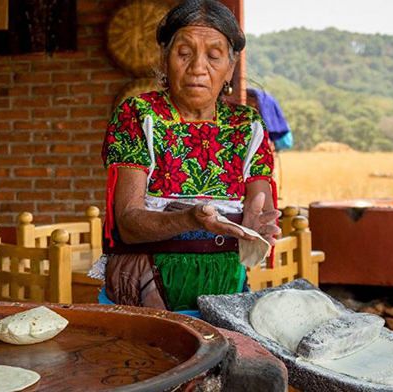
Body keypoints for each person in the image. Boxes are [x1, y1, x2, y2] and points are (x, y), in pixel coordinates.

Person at [98, 0, 280, 313]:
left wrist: (256, 226)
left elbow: (259, 207)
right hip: (145, 288)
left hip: (225, 293)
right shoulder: (139, 115)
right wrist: (188, 219)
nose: (198, 67)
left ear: (230, 68)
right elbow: (128, 222)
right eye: (184, 53)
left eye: (213, 56)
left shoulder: (247, 126)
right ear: (165, 58)